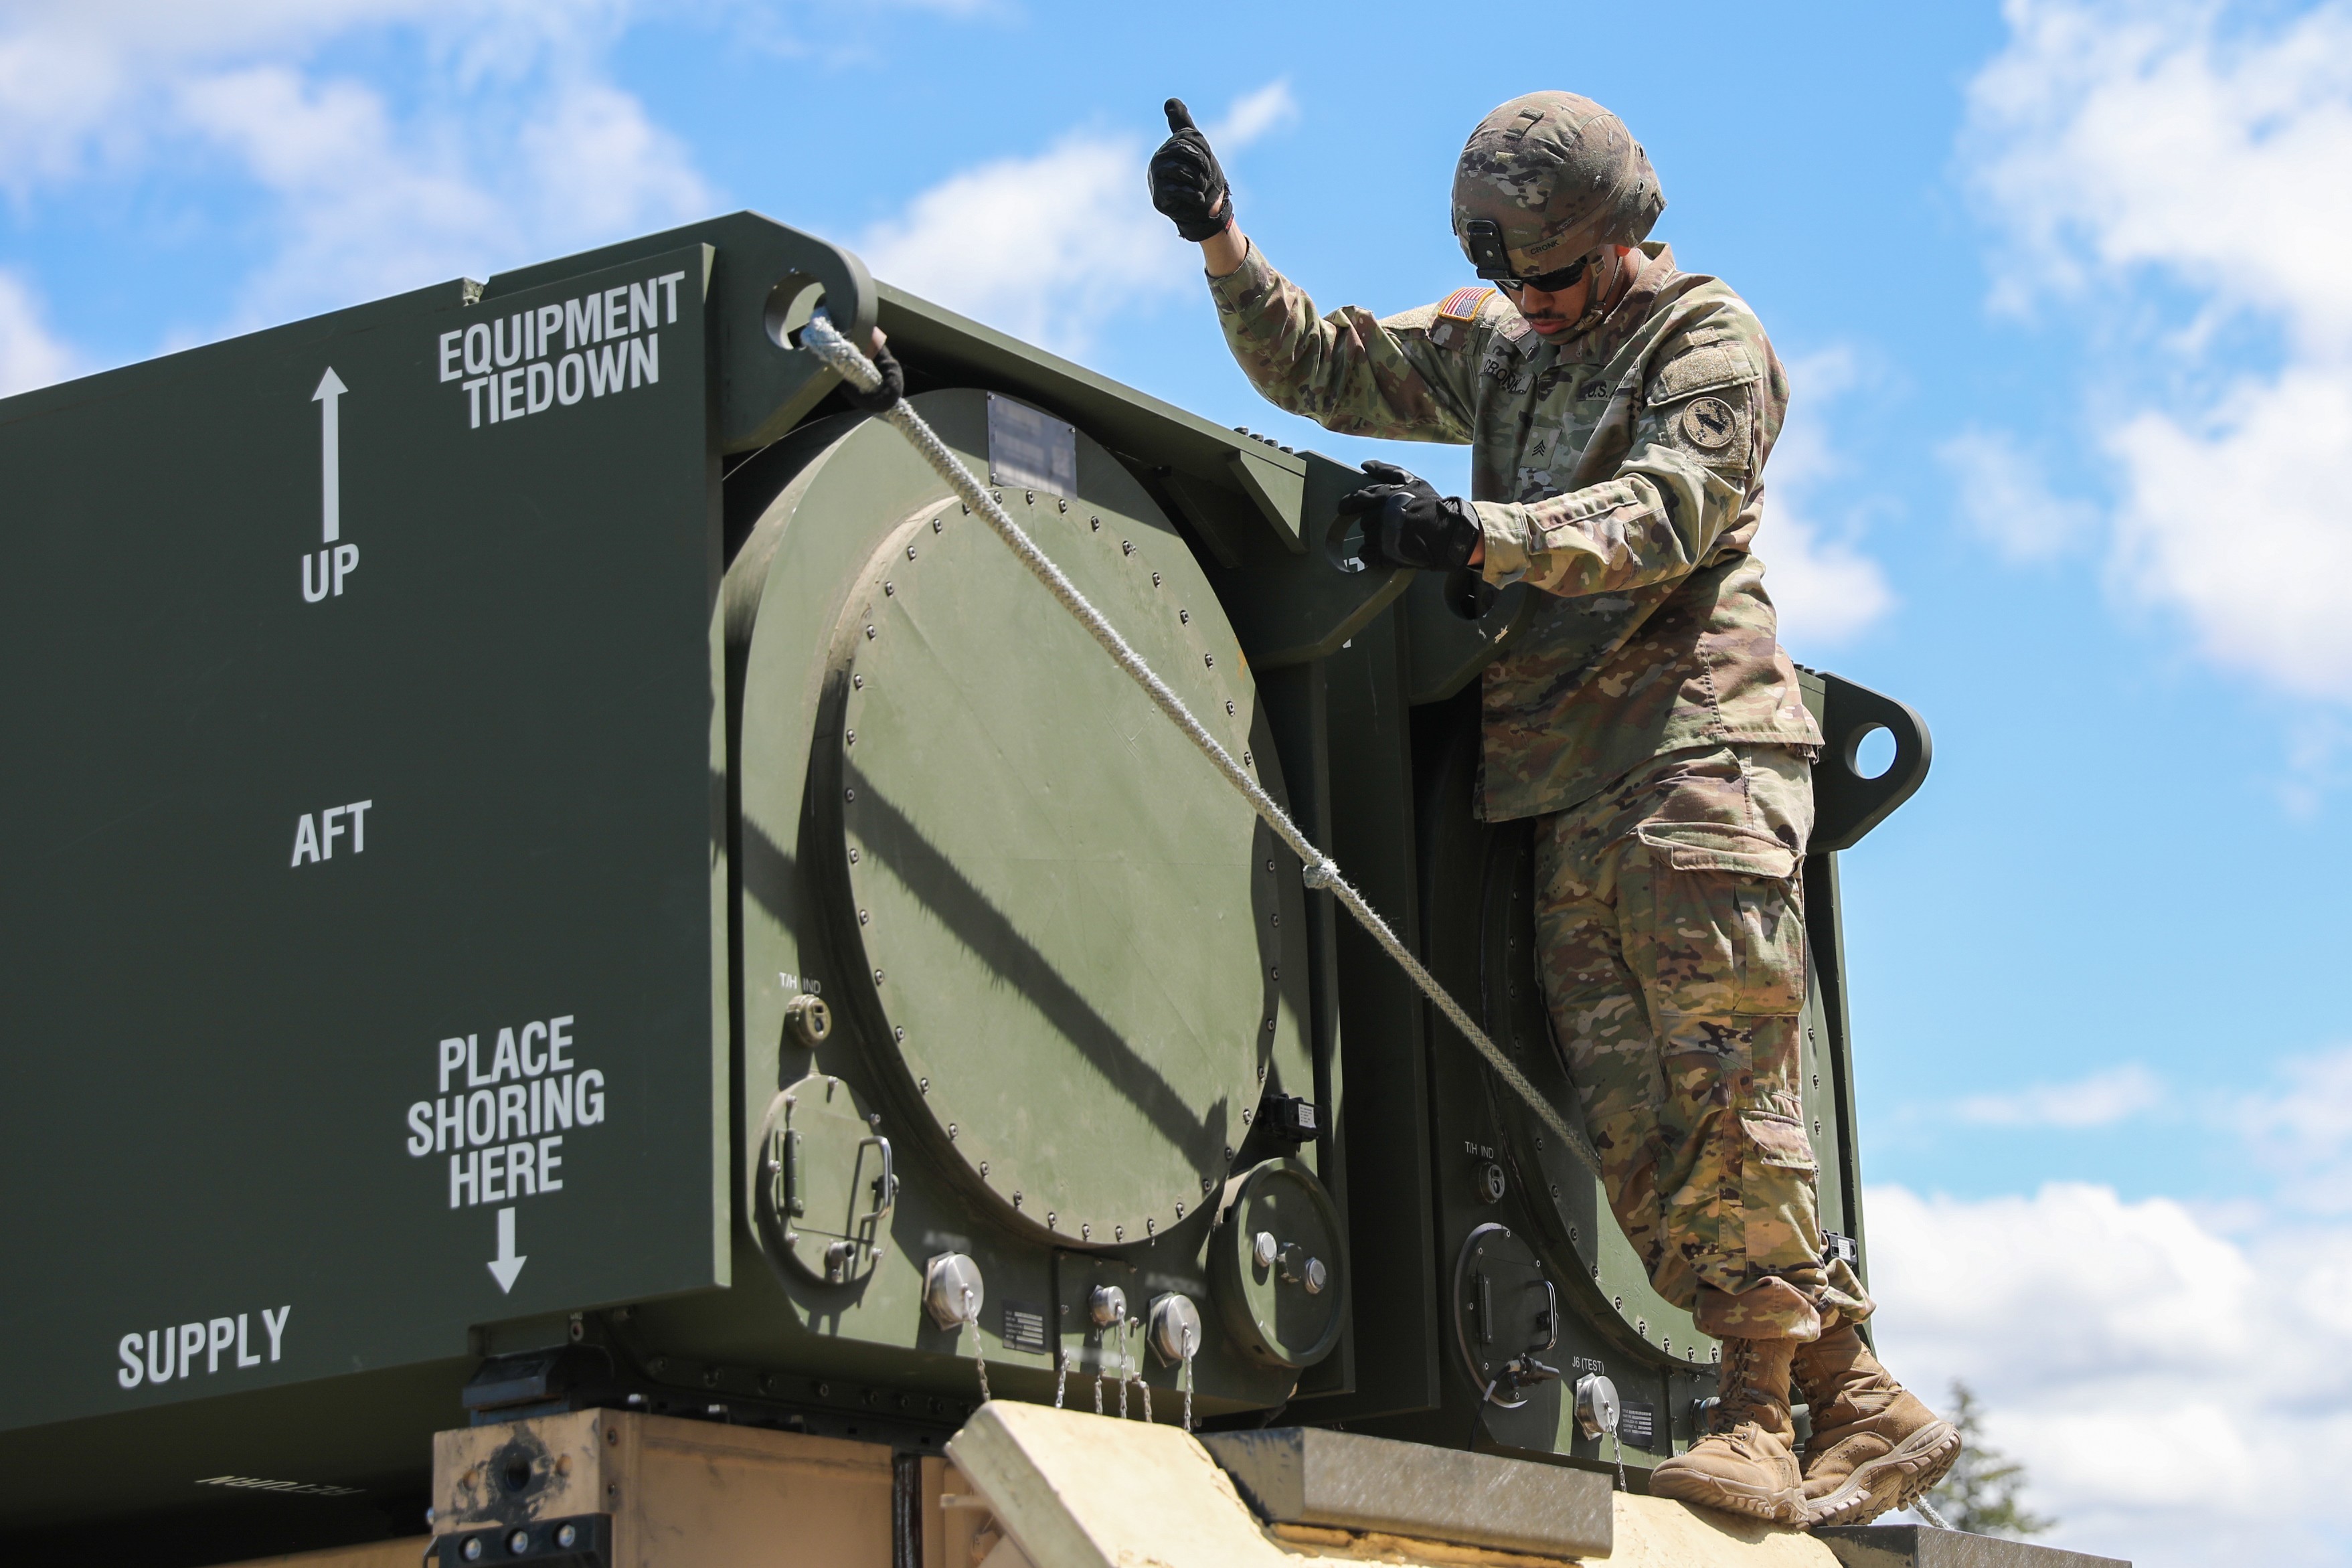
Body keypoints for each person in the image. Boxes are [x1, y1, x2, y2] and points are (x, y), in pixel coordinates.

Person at [1147, 92, 1958, 1529]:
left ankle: (1762, 1416)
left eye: (1554, 272)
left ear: (1622, 235)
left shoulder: (1705, 340)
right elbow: (1327, 364)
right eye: (1513, 275)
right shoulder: (1507, 343)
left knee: (1722, 1083)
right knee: (1629, 1116)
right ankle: (1865, 1400)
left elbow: (1663, 512)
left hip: (1697, 754)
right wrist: (1222, 246)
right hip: (1566, 771)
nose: (1531, 299)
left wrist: (1479, 533)